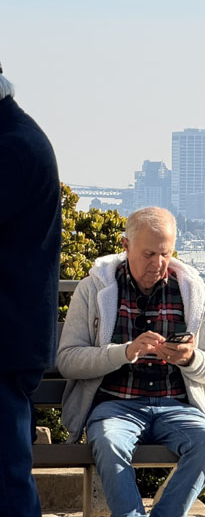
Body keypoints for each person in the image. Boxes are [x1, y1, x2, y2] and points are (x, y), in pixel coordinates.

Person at [56, 207, 205, 517]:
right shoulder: (94, 289)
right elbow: (67, 360)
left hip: (176, 406)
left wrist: (190, 358)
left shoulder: (193, 291)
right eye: (149, 254)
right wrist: (123, 352)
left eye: (165, 254)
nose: (158, 263)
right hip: (114, 405)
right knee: (109, 443)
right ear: (126, 246)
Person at [0, 65, 60, 517]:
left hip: (5, 341)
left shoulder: (12, 148)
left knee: (7, 477)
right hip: (13, 336)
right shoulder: (18, 137)